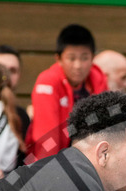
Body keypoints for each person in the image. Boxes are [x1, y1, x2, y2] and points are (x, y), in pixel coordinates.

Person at [25, 24, 107, 160]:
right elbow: (46, 137)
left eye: (84, 58)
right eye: (71, 58)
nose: (78, 65)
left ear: (93, 58)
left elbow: (105, 128)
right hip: (53, 160)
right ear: (59, 59)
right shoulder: (48, 81)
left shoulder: (98, 79)